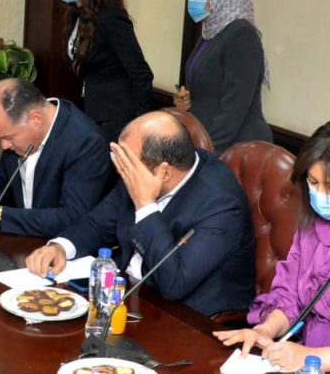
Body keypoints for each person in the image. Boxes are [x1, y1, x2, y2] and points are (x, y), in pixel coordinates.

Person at [26, 111, 255, 317]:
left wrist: (145, 204)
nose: (120, 168)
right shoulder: (142, 169)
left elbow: (174, 283)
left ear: (164, 172)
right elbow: (97, 224)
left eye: (127, 162)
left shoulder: (221, 205)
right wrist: (60, 247)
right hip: (130, 293)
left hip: (188, 319)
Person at [214, 123, 330, 372]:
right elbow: (291, 297)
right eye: (313, 182)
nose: (321, 194)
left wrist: (312, 357)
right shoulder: (311, 228)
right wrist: (265, 331)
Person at [0, 79, 112, 238]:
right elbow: (2, 179)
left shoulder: (86, 143)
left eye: (8, 137)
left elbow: (71, 218)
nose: (4, 145)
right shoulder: (18, 133)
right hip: (22, 241)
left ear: (35, 119)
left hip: (61, 249)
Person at [58, 0, 154, 142]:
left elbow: (140, 73)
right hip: (92, 111)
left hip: (116, 117)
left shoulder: (111, 17)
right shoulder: (77, 15)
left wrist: (141, 125)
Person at [174, 0, 272, 154]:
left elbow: (234, 107)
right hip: (205, 138)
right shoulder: (212, 32)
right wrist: (185, 101)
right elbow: (209, 88)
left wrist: (206, 150)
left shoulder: (242, 35)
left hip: (235, 147)